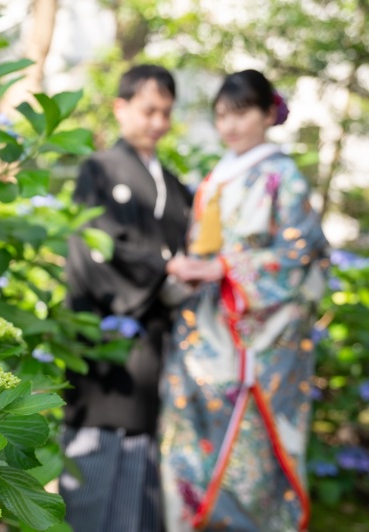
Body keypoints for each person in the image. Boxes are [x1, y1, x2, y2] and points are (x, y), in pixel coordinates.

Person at [159, 69, 328, 531]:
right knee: (188, 441)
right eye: (221, 116)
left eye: (241, 114)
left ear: (269, 114)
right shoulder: (216, 176)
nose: (230, 126)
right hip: (203, 326)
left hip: (255, 338)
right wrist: (195, 272)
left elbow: (301, 256)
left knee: (248, 452)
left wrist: (225, 268)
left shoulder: (283, 176)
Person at [61, 64, 193, 532]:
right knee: (94, 467)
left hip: (155, 343)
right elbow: (91, 248)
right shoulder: (99, 169)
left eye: (166, 113)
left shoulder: (174, 186)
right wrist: (164, 269)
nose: (158, 122)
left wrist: (180, 276)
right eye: (148, 110)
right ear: (121, 108)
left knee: (142, 476)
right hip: (104, 338)